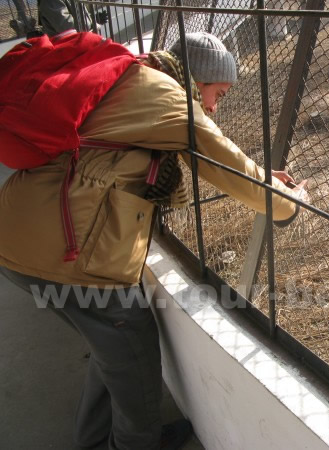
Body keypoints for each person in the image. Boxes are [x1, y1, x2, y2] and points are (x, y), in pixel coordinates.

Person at [0, 31, 308, 449]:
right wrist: (288, 203)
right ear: (199, 78)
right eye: (217, 93)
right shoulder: (165, 98)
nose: (215, 106)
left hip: (27, 236)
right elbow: (229, 166)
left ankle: (95, 443)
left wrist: (269, 179)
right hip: (66, 254)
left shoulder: (135, 77)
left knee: (112, 351)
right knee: (135, 358)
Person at [36, 0, 108, 37]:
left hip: (80, 41)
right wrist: (91, 22)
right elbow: (66, 26)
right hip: (68, 48)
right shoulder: (50, 1)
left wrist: (93, 17)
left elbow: (78, 14)